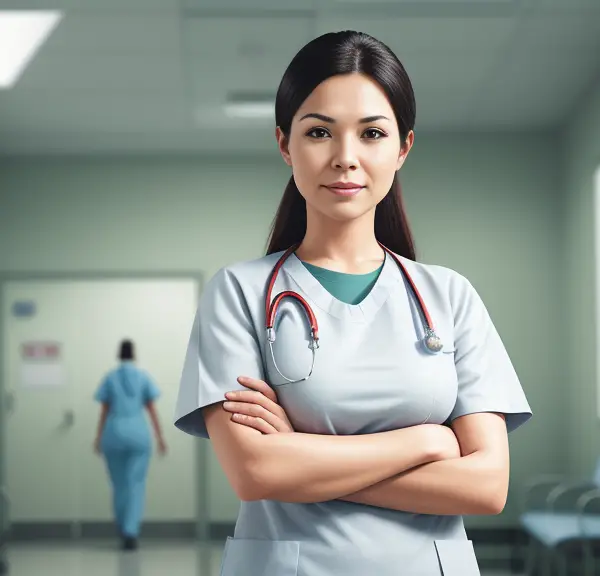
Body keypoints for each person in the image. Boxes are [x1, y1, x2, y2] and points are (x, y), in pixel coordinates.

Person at [174, 30, 532, 576]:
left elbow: (486, 487)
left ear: (403, 148)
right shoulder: (239, 293)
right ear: (284, 144)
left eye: (371, 133)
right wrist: (429, 439)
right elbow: (256, 474)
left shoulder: (450, 297)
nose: (346, 158)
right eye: (319, 132)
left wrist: (302, 456)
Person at [94, 339, 167, 551]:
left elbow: (104, 411)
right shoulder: (142, 377)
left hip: (114, 434)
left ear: (119, 354)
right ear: (133, 354)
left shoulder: (110, 378)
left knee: (118, 486)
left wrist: (98, 438)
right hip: (138, 435)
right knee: (136, 485)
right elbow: (152, 410)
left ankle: (121, 528)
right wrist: (160, 438)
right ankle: (131, 532)